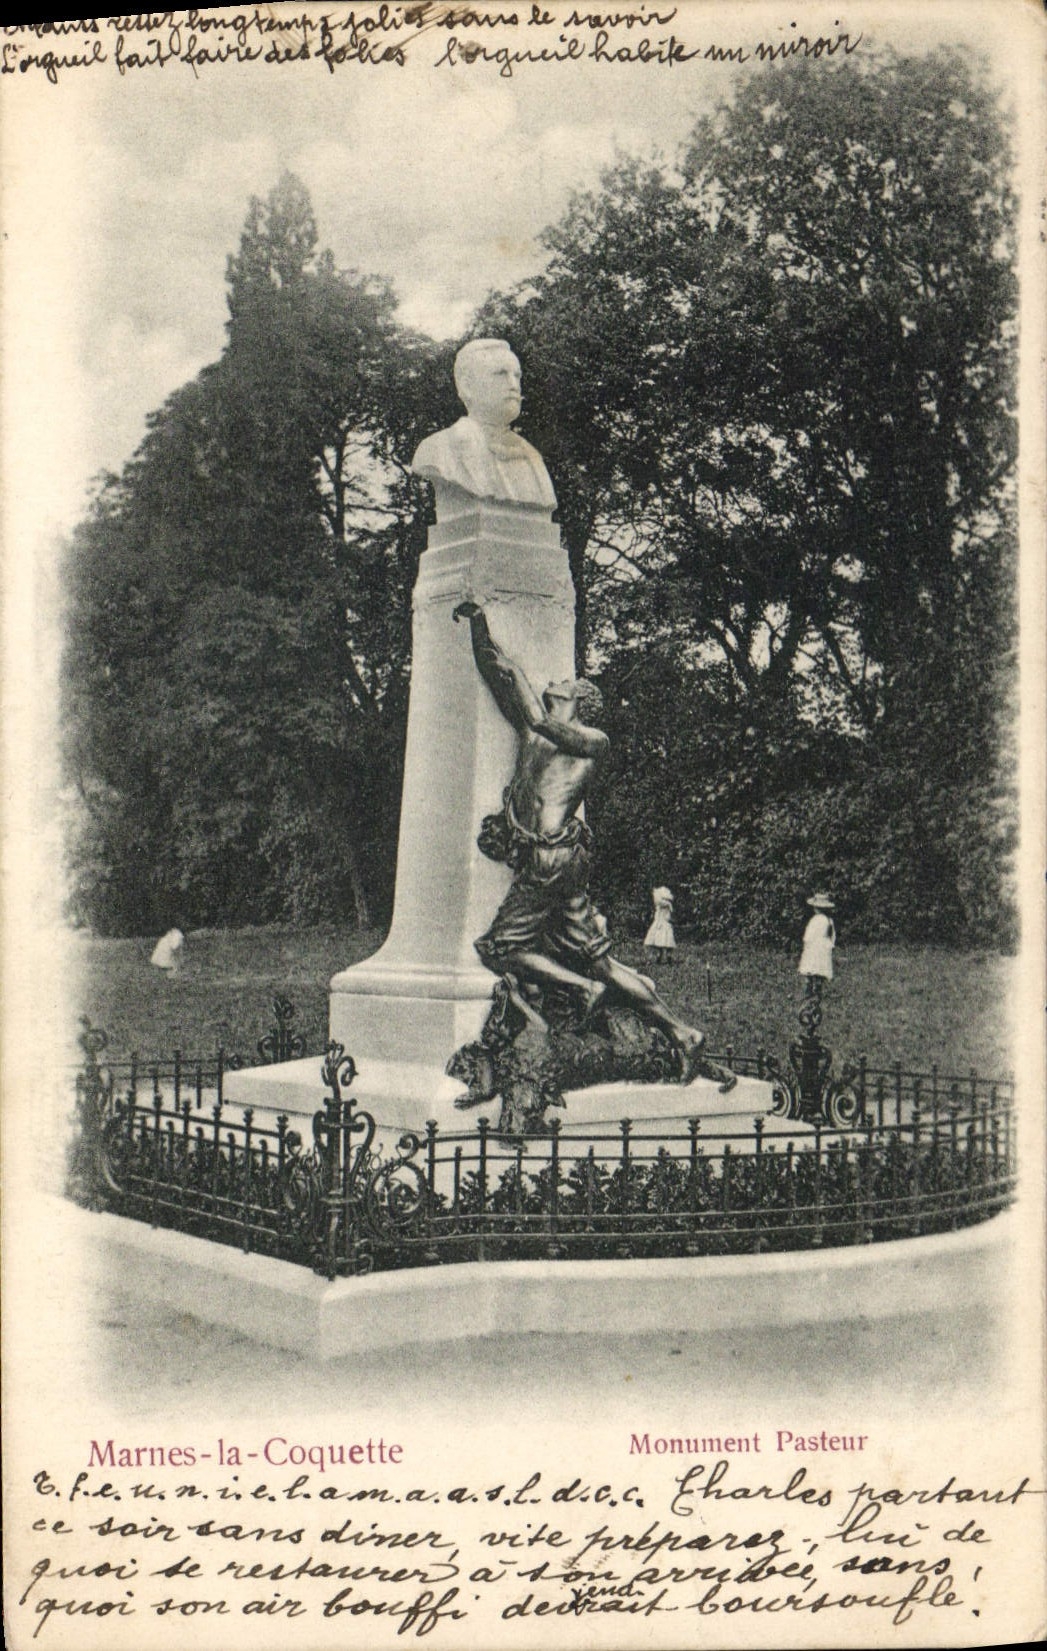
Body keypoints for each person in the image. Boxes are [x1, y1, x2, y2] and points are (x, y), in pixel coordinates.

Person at [453, 601, 730, 1087]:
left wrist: (516, 667)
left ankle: (582, 990)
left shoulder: (591, 740)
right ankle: (683, 1034)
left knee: (500, 948)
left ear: (580, 698)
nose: (555, 679)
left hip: (553, 860)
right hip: (553, 860)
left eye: (564, 680)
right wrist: (479, 628)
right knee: (600, 957)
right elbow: (499, 678)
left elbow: (540, 719)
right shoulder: (532, 731)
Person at [412, 339, 557, 518]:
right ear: (467, 386)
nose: (513, 385)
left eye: (517, 376)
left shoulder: (531, 455)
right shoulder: (438, 449)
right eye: (500, 374)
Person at [798, 894, 836, 993]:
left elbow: (808, 936)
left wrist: (806, 943)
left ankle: (809, 987)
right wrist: (830, 945)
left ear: (816, 908)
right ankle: (817, 987)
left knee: (811, 967)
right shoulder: (829, 920)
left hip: (813, 948)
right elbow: (832, 936)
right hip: (823, 949)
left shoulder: (815, 920)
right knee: (820, 968)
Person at [643, 886, 676, 964]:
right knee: (661, 942)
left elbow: (667, 914)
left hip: (662, 924)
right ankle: (660, 957)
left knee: (664, 942)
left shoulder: (666, 905)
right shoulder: (663, 905)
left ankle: (666, 958)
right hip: (660, 924)